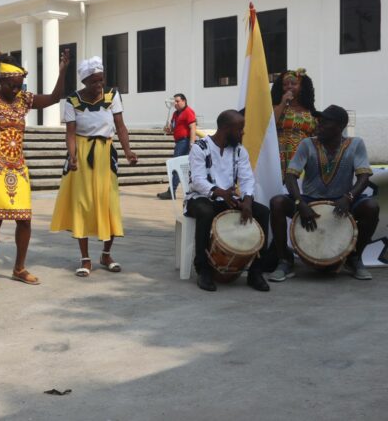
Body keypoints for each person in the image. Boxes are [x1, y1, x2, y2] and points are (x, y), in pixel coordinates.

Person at [0, 45, 70, 291]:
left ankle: (19, 268)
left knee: (24, 220)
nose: (17, 89)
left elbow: (53, 98)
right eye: (12, 85)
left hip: (17, 166)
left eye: (20, 84)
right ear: (1, 81)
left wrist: (62, 72)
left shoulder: (24, 100)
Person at [268, 105, 379, 282]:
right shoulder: (307, 144)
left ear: (340, 126)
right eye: (319, 121)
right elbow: (290, 177)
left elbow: (364, 176)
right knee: (277, 203)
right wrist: (299, 203)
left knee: (371, 207)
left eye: (325, 122)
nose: (318, 125)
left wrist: (348, 197)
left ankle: (354, 258)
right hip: (309, 200)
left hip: (341, 202)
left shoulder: (355, 144)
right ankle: (284, 260)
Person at [50, 56, 138, 277]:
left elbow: (120, 125)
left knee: (109, 205)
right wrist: (72, 156)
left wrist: (128, 151)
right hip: (81, 154)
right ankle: (85, 258)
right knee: (83, 205)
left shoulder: (112, 95)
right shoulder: (72, 100)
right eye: (94, 81)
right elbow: (70, 133)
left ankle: (106, 254)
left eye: (101, 80)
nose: (99, 85)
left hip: (105, 154)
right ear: (85, 82)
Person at [184, 109, 271, 292]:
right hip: (200, 198)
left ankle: (256, 271)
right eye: (240, 129)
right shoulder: (200, 147)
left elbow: (247, 179)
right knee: (206, 212)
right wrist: (219, 192)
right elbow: (198, 180)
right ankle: (203, 269)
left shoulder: (239, 151)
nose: (243, 133)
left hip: (228, 199)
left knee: (262, 212)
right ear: (225, 128)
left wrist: (247, 200)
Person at [272, 69, 317, 176]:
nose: (289, 86)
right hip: (279, 153)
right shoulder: (276, 107)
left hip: (303, 155)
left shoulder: (310, 111)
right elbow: (269, 124)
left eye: (294, 83)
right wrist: (283, 102)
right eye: (285, 84)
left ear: (302, 87)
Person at [158, 93, 197, 199]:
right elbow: (173, 129)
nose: (175, 103)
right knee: (181, 166)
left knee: (176, 166)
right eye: (174, 101)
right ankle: (175, 190)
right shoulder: (175, 114)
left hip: (184, 141)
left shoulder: (188, 112)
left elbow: (193, 128)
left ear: (184, 101)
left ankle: (171, 191)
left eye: (177, 101)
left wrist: (192, 144)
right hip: (179, 141)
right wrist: (168, 129)